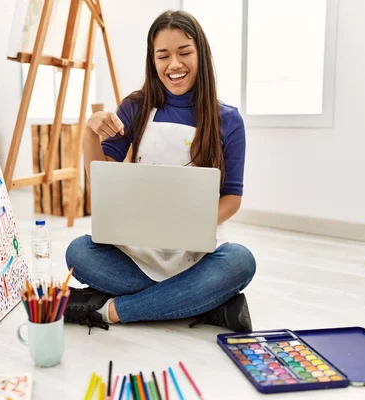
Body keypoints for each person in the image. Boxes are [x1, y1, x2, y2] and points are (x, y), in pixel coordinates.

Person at [63, 10, 256, 333]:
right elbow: (104, 180)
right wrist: (89, 132)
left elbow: (232, 198)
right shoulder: (135, 107)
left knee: (240, 261)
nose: (174, 65)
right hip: (137, 252)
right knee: (78, 252)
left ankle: (109, 309)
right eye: (163, 55)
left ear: (201, 55)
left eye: (184, 53)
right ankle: (211, 303)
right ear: (152, 61)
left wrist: (188, 226)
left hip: (196, 254)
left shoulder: (228, 120)